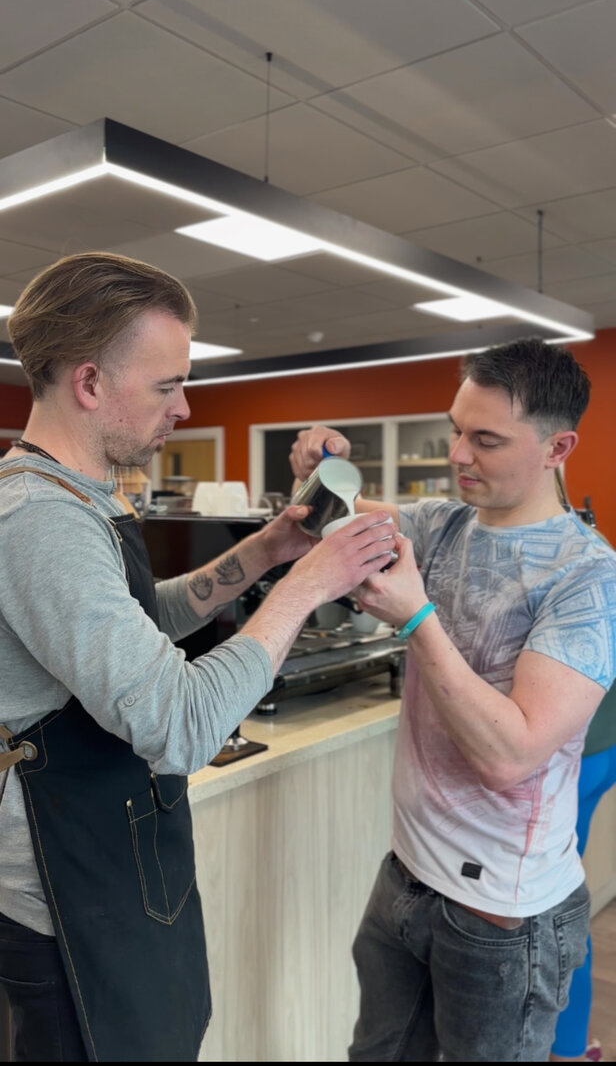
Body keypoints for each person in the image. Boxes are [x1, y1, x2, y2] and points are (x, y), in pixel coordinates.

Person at [0, 251, 396, 1063]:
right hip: (70, 904)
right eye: (166, 384)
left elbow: (144, 621)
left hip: (116, 859)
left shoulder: (83, 495)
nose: (185, 406)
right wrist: (308, 582)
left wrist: (267, 550)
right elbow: (177, 722)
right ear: (88, 383)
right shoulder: (40, 520)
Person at [288, 338, 616, 1063]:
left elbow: (512, 754)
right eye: (456, 429)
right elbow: (331, 516)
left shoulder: (589, 577)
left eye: (487, 439)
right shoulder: (442, 522)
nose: (458, 454)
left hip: (502, 914)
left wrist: (415, 617)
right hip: (405, 875)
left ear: (558, 446)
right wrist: (318, 471)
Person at [550, 678, 616, 1063]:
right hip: (602, 743)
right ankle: (572, 1044)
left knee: (557, 912)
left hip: (571, 755)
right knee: (564, 902)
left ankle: (568, 1051)